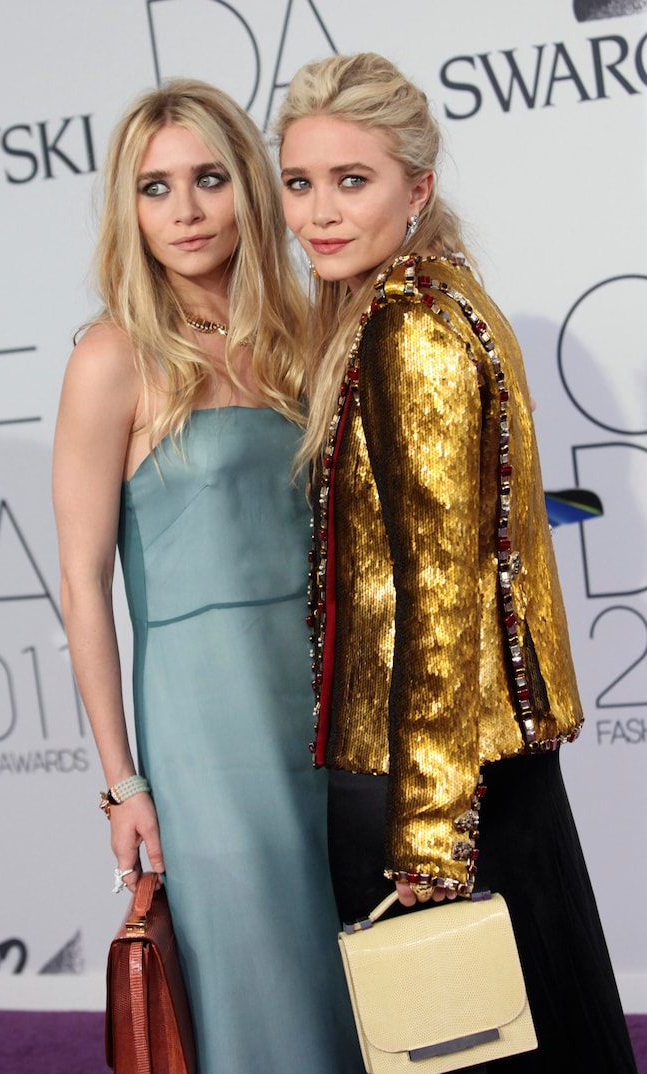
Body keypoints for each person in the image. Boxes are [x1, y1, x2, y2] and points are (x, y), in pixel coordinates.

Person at [276, 52, 637, 1072]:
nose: (318, 213)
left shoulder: (409, 329)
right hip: (477, 767)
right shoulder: (437, 298)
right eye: (299, 183)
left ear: (417, 187)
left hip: (425, 776)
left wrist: (430, 830)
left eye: (352, 181)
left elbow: (440, 594)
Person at [52, 79, 361, 1074]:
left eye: (209, 179)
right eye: (156, 188)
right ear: (128, 209)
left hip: (330, 707)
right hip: (208, 732)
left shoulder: (304, 336)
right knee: (263, 989)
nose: (184, 210)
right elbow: (83, 585)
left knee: (357, 977)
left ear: (250, 190)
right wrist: (121, 783)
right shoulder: (112, 358)